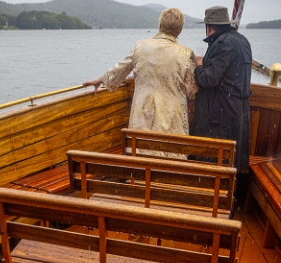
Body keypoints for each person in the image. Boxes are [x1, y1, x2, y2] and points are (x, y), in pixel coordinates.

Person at [83, 8, 197, 154]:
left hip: (143, 115)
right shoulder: (186, 54)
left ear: (160, 26)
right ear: (179, 31)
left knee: (140, 154)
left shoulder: (140, 47)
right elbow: (192, 91)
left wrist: (100, 80)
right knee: (170, 157)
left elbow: (120, 69)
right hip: (172, 119)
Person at [192, 6, 252, 181]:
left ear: (209, 26)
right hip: (239, 111)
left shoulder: (222, 43)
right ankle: (233, 193)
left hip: (220, 114)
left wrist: (198, 66)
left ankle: (212, 192)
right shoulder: (242, 40)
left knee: (215, 161)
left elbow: (208, 79)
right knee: (233, 160)